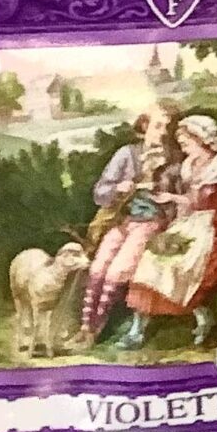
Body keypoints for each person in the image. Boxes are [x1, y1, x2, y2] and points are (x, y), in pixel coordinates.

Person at [124, 114, 217, 347]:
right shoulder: (190, 166)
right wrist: (171, 198)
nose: (183, 147)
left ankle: (202, 315)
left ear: (201, 139)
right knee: (151, 258)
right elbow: (194, 201)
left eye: (186, 142)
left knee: (183, 265)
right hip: (193, 222)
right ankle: (137, 329)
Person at [82, 107, 179, 347]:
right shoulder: (127, 154)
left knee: (117, 271)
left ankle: (96, 331)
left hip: (151, 222)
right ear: (144, 125)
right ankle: (84, 327)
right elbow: (100, 192)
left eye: (168, 128)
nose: (163, 133)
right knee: (97, 268)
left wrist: (160, 188)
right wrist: (118, 189)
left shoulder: (174, 159)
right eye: (158, 126)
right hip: (122, 220)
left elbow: (181, 197)